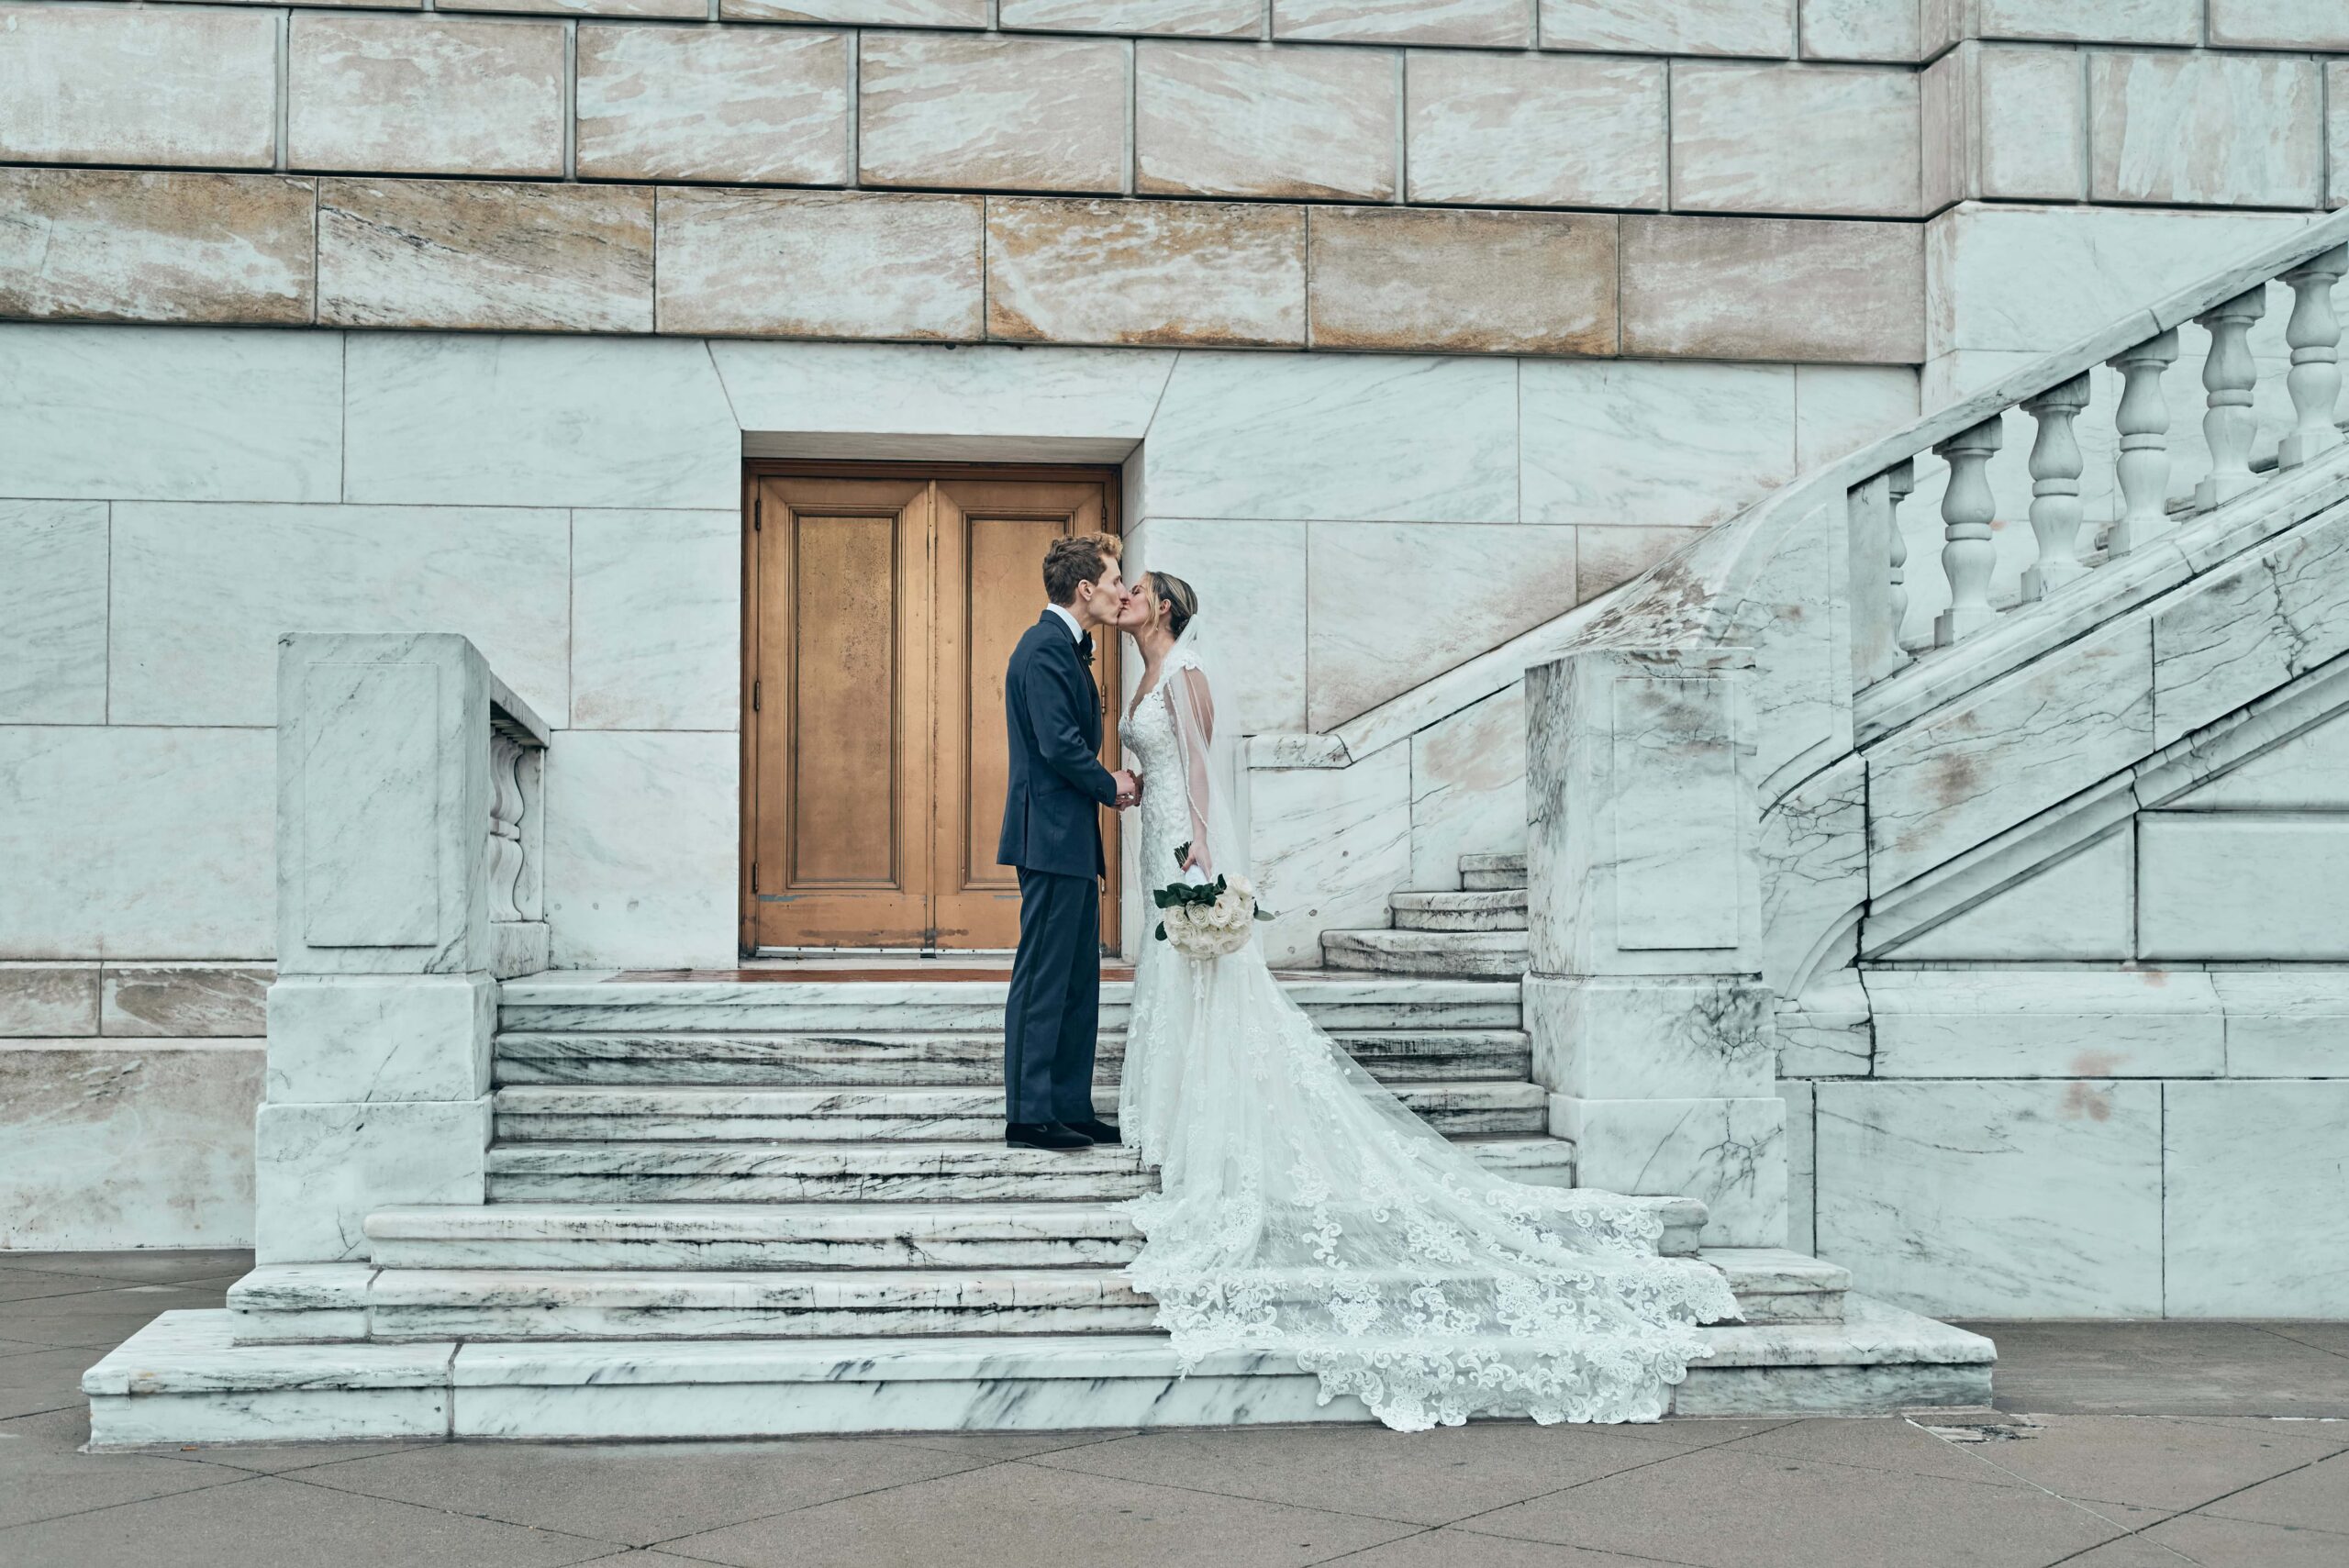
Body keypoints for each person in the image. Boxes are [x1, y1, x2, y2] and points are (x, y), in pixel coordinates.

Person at [1108, 568, 1742, 1431]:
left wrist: (1202, 862)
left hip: (1183, 851)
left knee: (1205, 983)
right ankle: (1179, 1119)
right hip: (1153, 842)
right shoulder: (1142, 672)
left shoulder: (1186, 674)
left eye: (1141, 588)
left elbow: (1206, 772)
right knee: (1171, 977)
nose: (1130, 594)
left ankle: (1205, 1130)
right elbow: (1159, 760)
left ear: (1170, 608)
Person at [996, 534, 1140, 1153]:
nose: (1123, 591)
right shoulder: (1044, 648)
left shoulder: (1062, 648)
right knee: (1044, 978)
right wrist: (1111, 782)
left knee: (1080, 980)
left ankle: (1069, 1106)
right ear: (1085, 589)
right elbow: (1057, 744)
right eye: (1114, 580)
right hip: (1049, 838)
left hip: (1070, 838)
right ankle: (1029, 1114)